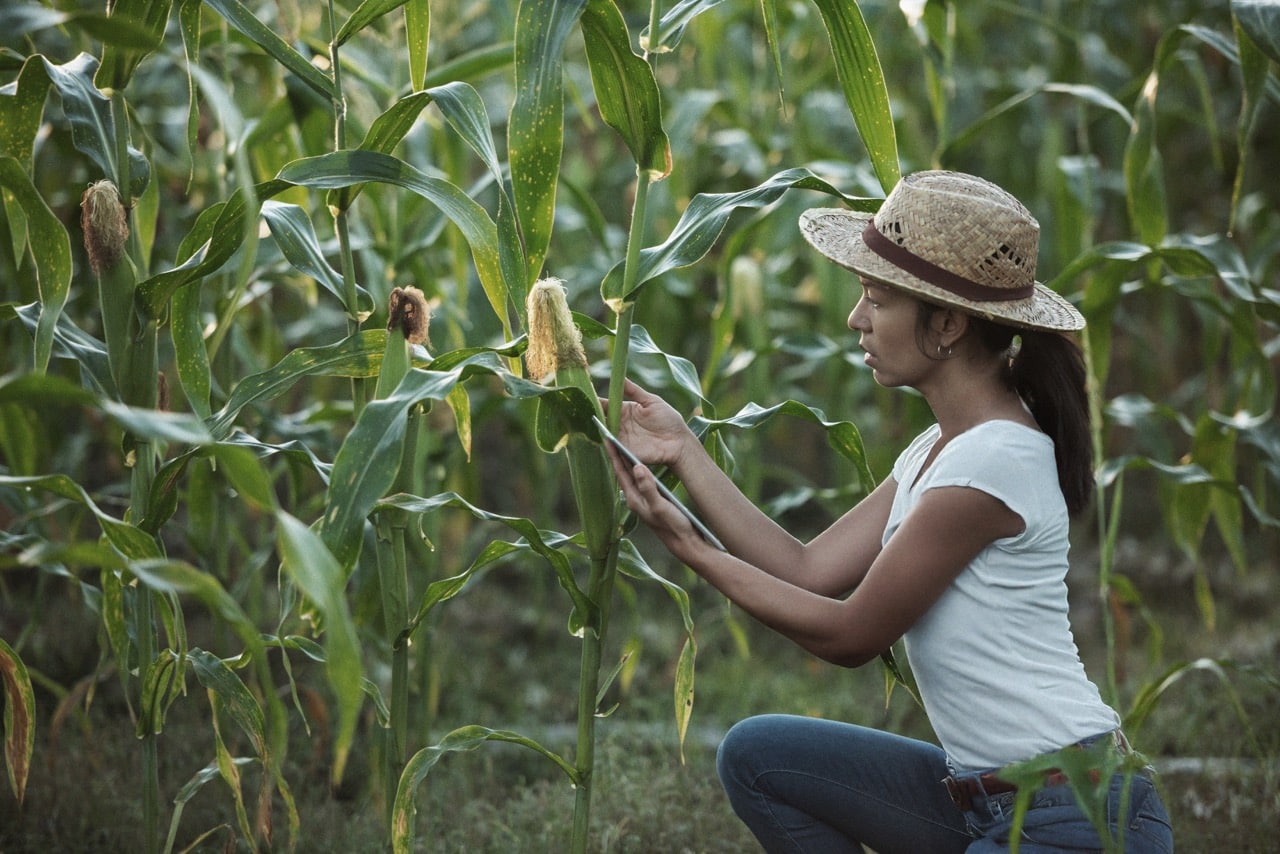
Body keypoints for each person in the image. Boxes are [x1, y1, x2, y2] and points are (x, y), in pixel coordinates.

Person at [604, 171, 1174, 853]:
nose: (856, 318)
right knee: (759, 756)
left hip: (1074, 816)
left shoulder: (993, 462)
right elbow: (809, 569)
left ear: (948, 325)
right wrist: (685, 452)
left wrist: (691, 547)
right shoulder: (940, 447)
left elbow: (850, 636)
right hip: (981, 801)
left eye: (876, 299)